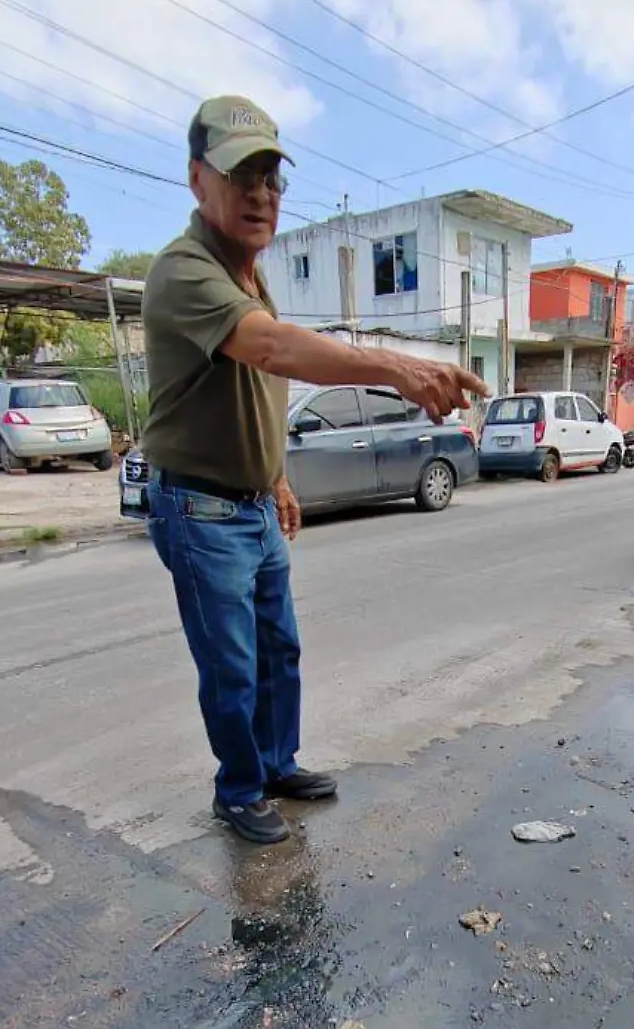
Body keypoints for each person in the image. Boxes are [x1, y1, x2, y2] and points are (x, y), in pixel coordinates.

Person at [141, 96, 489, 845]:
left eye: (272, 177)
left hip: (252, 504)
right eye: (242, 175)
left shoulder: (248, 275)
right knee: (232, 663)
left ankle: (273, 763)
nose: (261, 194)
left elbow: (254, 387)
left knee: (279, 648)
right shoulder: (184, 270)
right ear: (198, 179)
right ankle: (237, 789)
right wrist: (398, 367)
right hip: (200, 508)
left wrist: (276, 478)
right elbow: (272, 352)